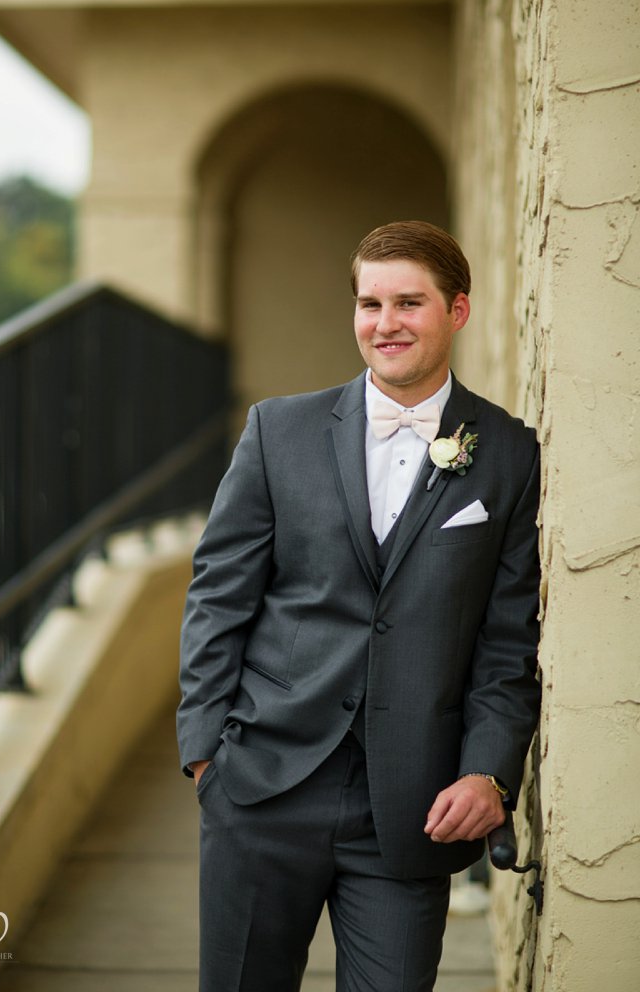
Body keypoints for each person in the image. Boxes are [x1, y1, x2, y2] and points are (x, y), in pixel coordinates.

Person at [177, 220, 541, 992]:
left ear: (458, 311)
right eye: (370, 304)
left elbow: (507, 642)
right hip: (262, 788)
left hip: (412, 809)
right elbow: (218, 592)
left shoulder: (507, 453)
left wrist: (488, 773)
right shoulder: (279, 431)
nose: (386, 324)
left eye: (410, 302)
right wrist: (206, 749)